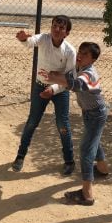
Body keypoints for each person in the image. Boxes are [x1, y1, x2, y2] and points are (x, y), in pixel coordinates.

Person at [39, 42, 109, 206]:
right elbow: (69, 78)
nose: (80, 55)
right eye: (80, 52)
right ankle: (103, 169)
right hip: (89, 113)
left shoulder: (89, 73)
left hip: (96, 114)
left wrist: (55, 77)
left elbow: (77, 84)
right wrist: (57, 76)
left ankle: (87, 195)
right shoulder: (78, 67)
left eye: (85, 54)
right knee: (94, 141)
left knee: (86, 150)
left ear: (93, 59)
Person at [12, 15, 77, 175]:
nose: (56, 29)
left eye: (61, 28)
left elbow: (70, 79)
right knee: (32, 122)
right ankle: (20, 156)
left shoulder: (70, 51)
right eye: (54, 25)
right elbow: (30, 42)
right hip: (40, 87)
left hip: (60, 90)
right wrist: (23, 39)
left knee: (62, 124)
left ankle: (69, 160)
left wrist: (53, 89)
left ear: (67, 33)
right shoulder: (44, 39)